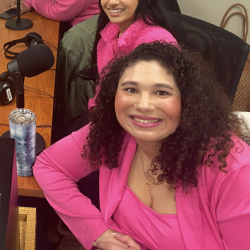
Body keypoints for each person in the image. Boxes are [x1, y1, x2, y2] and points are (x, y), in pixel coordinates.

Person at [34, 42, 250, 250]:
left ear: (188, 102)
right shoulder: (115, 132)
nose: (143, 105)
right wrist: (97, 232)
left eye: (162, 92)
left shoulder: (235, 173)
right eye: (130, 90)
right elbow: (50, 167)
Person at [55, 0, 177, 130]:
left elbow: (152, 115)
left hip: (135, 130)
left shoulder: (155, 46)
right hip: (106, 116)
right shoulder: (110, 32)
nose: (111, 1)